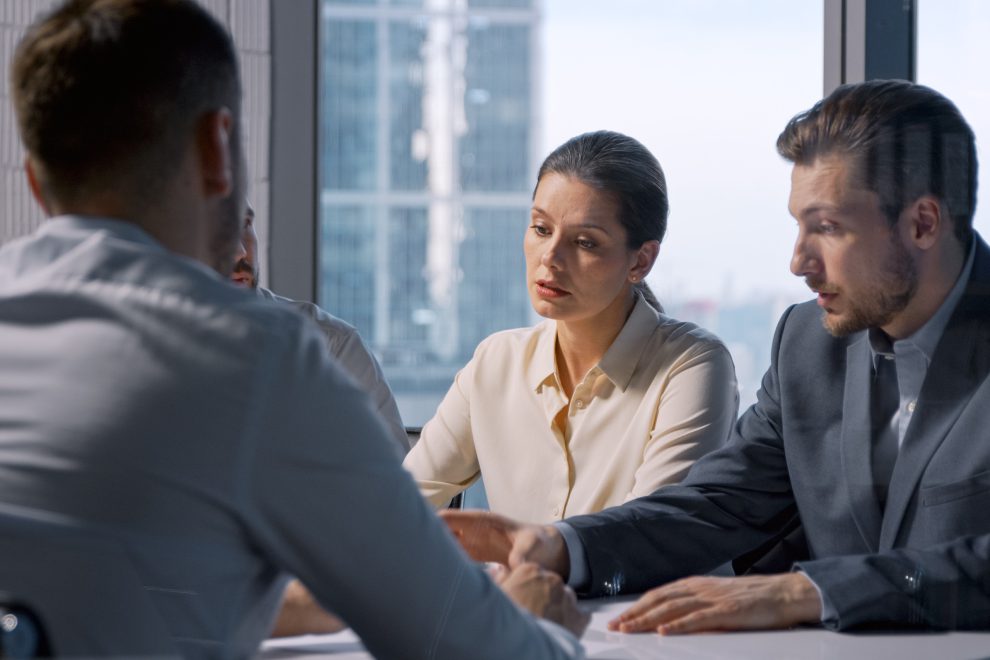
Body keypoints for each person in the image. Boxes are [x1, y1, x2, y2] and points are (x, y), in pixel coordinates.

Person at [0, 1, 588, 658]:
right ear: (216, 148)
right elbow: (478, 646)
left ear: (36, 183)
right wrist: (541, 624)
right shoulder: (253, 357)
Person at [442, 79, 990, 635]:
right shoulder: (809, 341)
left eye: (827, 228)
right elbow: (720, 504)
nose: (798, 261)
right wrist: (561, 545)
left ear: (923, 223)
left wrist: (810, 588)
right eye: (797, 225)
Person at [403, 131, 739, 523]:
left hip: (646, 587)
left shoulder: (693, 365)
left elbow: (646, 534)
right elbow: (398, 504)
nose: (550, 257)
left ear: (640, 261)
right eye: (541, 229)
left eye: (584, 242)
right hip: (516, 585)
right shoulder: (496, 360)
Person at [232, 202, 408, 457]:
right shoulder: (156, 355)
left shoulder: (333, 349)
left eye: (245, 225)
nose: (239, 251)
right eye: (216, 231)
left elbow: (389, 488)